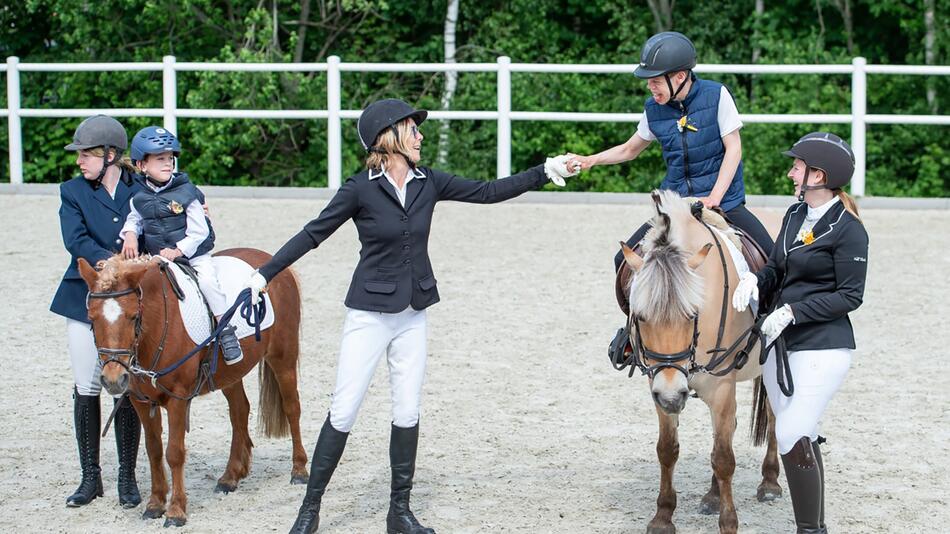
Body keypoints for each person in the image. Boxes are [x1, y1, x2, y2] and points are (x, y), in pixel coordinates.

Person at [241, 98, 575, 534]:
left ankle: (399, 512)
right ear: (389, 137)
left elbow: (488, 192)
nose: (420, 136)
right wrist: (264, 274)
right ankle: (310, 511)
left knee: (407, 410)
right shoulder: (359, 188)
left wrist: (544, 172)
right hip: (368, 315)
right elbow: (313, 233)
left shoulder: (428, 182)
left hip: (413, 312)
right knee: (343, 410)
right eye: (412, 129)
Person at [565, 31, 774, 361]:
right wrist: (590, 160)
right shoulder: (654, 109)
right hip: (676, 207)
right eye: (648, 81)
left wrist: (714, 197)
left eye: (655, 80)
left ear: (680, 76)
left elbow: (734, 148)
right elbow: (631, 149)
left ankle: (767, 329)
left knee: (773, 258)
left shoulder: (717, 96)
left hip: (725, 203)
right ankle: (635, 334)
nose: (650, 87)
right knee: (623, 261)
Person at [733, 132, 868, 533]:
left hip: (824, 346)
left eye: (797, 166)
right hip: (779, 343)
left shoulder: (850, 230)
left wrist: (793, 311)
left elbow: (850, 295)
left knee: (790, 431)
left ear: (818, 175)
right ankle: (815, 527)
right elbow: (777, 266)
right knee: (804, 431)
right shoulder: (794, 215)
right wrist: (756, 281)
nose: (791, 172)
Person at [51, 115, 143, 508]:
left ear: (110, 155)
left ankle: (127, 475)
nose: (79, 161)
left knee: (127, 384)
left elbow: (172, 202)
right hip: (86, 294)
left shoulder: (140, 186)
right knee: (87, 385)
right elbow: (76, 240)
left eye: (86, 154)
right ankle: (90, 477)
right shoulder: (72, 191)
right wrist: (113, 264)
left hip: (132, 300)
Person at [119, 126, 243, 364]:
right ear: (142, 165)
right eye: (160, 159)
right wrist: (130, 235)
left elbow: (199, 231)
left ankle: (225, 329)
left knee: (207, 282)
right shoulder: (139, 197)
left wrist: (178, 250)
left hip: (193, 255)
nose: (168, 164)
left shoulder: (187, 192)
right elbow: (134, 219)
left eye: (169, 159)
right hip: (161, 257)